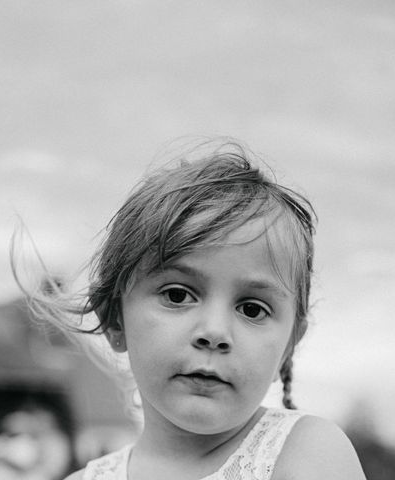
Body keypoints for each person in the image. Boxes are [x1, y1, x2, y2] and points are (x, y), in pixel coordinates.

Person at [20, 140, 366, 480]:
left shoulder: (306, 453)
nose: (214, 332)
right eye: (177, 295)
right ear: (114, 318)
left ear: (288, 345)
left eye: (252, 309)